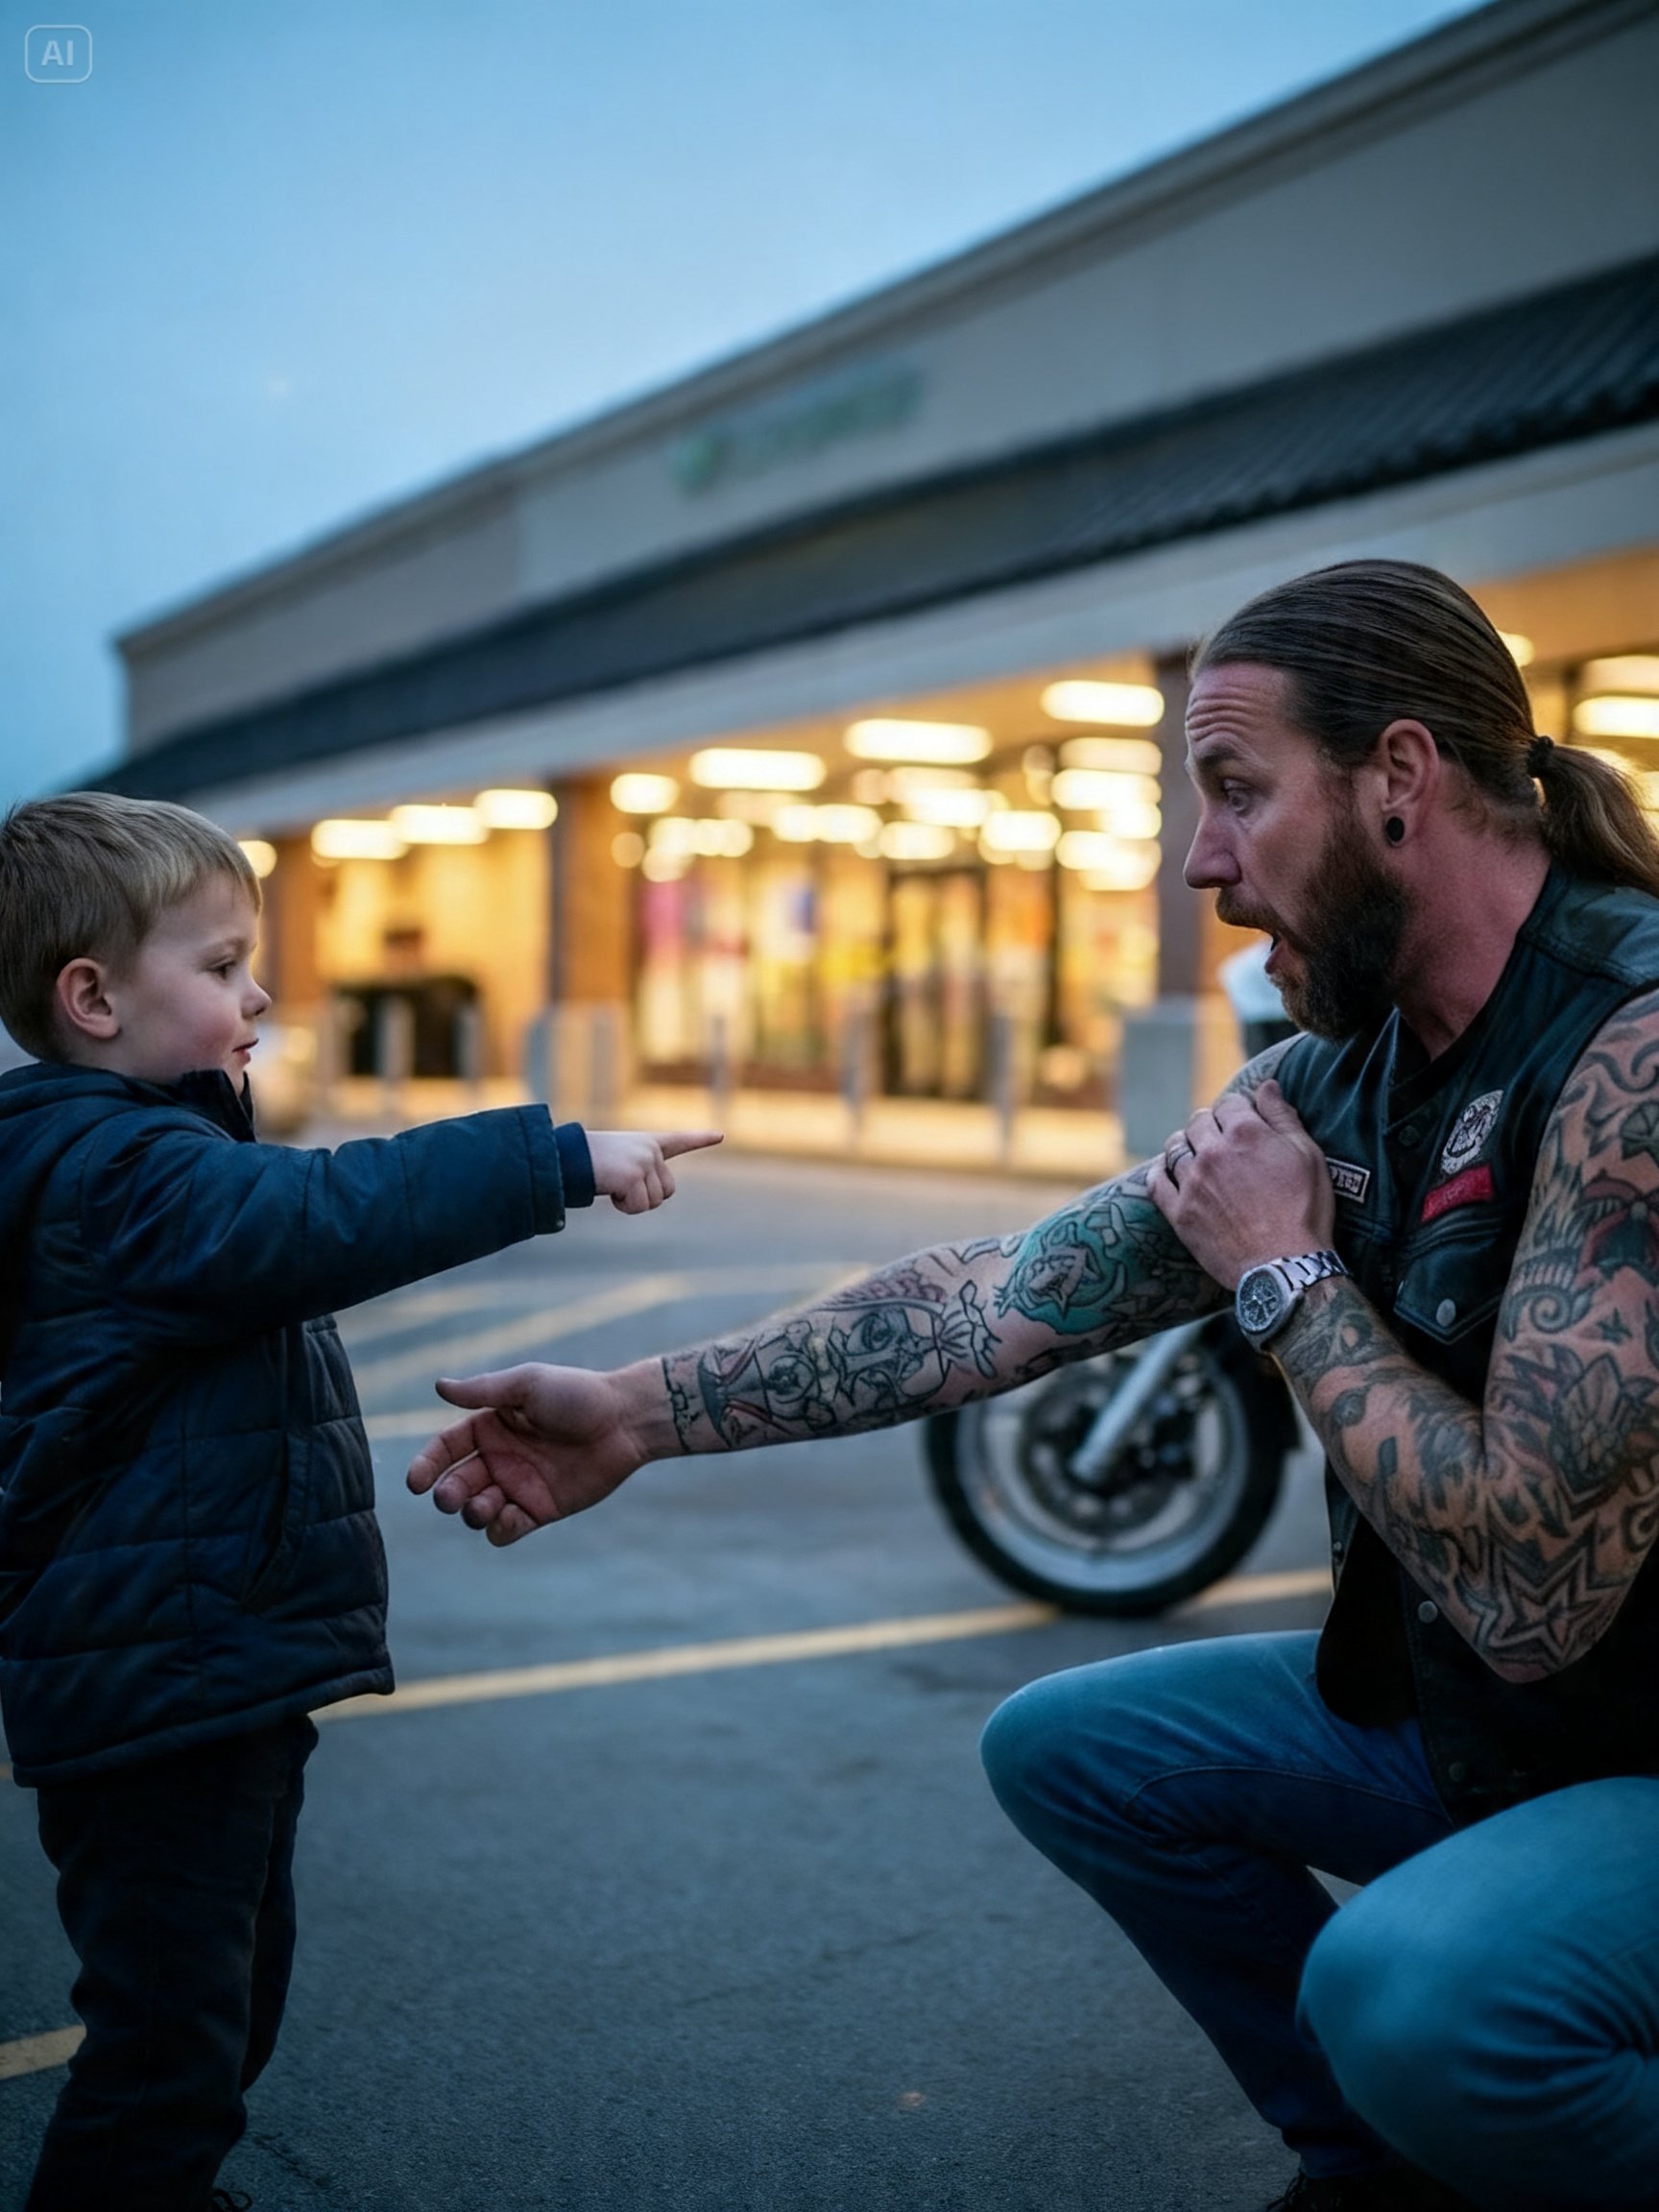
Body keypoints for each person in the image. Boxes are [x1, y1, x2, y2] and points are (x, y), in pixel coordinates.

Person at [408, 560, 1659, 2212]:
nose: (1199, 861)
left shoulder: (1629, 1049)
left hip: (1617, 1733)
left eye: (1235, 792)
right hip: (1496, 1730)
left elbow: (1525, 1589)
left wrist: (1283, 1278)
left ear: (1402, 781)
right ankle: (1384, 2166)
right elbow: (992, 1300)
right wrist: (638, 1410)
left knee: (1411, 1989)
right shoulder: (1344, 1068)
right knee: (1073, 1745)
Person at [0, 791, 720, 2212]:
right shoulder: (121, 1176)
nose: (257, 991)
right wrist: (554, 1158)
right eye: (216, 969)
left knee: (218, 2001)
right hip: (163, 1685)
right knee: (168, 2034)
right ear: (90, 997)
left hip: (198, 1669)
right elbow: (324, 1218)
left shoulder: (138, 1155)